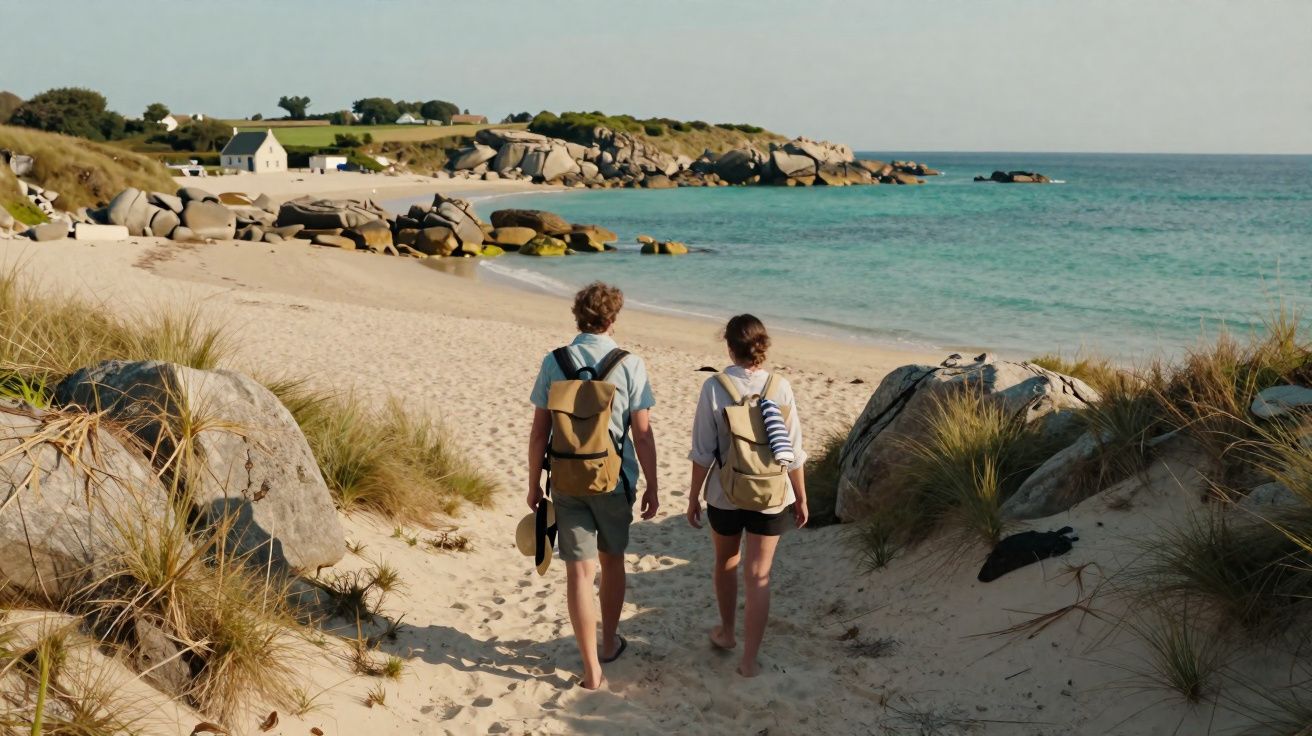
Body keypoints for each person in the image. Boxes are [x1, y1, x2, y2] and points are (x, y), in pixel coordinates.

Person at [527, 282, 659, 690]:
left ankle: (591, 672)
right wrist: (653, 484)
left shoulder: (555, 361)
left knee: (579, 574)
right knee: (613, 561)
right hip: (614, 481)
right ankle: (607, 643)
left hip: (566, 479)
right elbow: (642, 434)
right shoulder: (629, 364)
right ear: (612, 318)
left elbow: (538, 433)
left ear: (578, 316)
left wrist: (533, 483)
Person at [686, 314, 808, 678]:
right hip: (771, 494)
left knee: (726, 562)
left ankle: (726, 633)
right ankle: (749, 661)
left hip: (726, 494)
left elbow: (703, 451)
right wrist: (801, 497)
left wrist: (693, 497)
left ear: (729, 346)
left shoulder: (715, 387)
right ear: (763, 347)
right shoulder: (780, 386)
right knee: (759, 575)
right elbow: (794, 450)